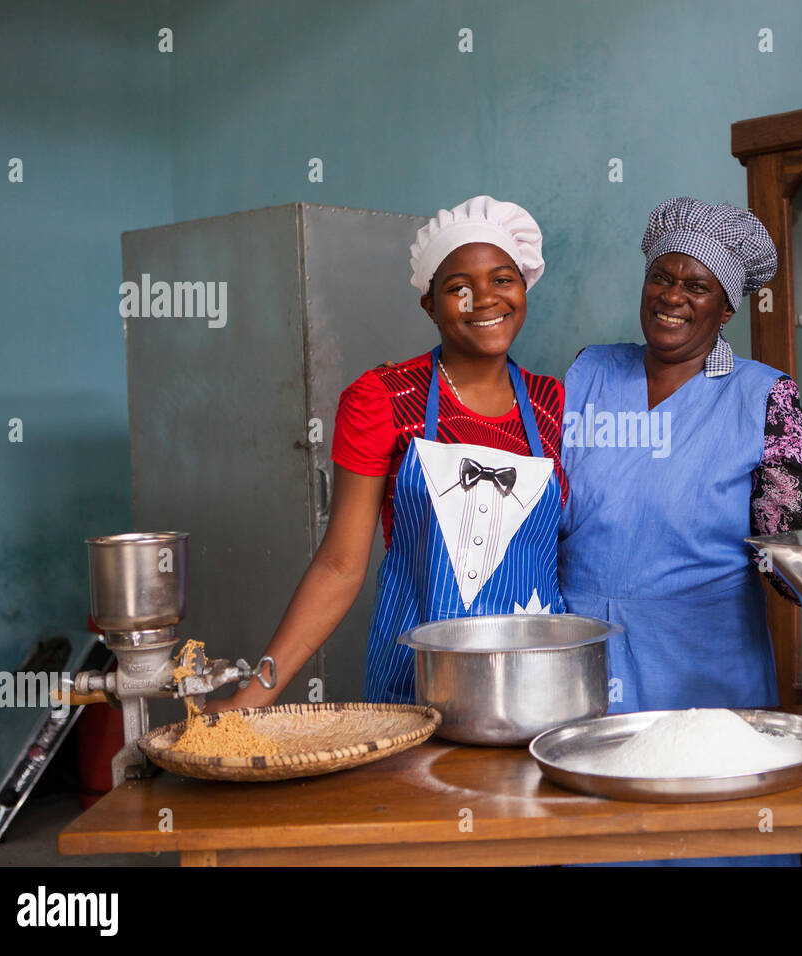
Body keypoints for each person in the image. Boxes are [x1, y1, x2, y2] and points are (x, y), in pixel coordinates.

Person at [558, 198, 802, 866]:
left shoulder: (760, 396)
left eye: (697, 286)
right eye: (662, 277)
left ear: (727, 309)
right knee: (594, 841)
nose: (672, 297)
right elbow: (538, 510)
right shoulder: (588, 373)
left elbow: (801, 546)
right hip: (583, 663)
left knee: (715, 845)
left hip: (705, 669)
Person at [216, 195, 567, 711]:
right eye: (458, 288)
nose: (483, 299)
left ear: (524, 287)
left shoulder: (552, 404)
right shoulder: (381, 400)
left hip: (536, 688)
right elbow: (339, 566)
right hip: (417, 690)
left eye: (502, 279)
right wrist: (254, 695)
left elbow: (568, 555)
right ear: (429, 304)